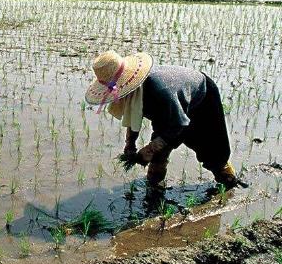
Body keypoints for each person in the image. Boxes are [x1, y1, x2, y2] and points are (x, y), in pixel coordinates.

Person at [85, 50, 240, 189]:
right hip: (171, 106)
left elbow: (178, 124)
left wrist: (149, 149)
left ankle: (229, 182)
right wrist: (130, 144)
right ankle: (154, 189)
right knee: (159, 153)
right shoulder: (134, 93)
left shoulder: (159, 90)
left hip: (202, 99)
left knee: (213, 151)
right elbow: (134, 116)